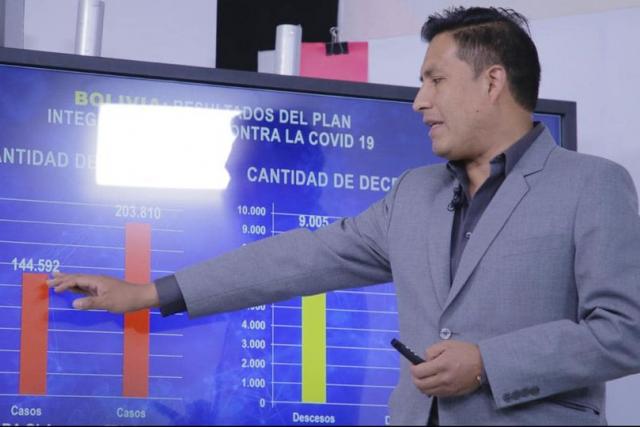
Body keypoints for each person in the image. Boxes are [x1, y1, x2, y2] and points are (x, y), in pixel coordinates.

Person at [48, 6, 640, 426]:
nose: (420, 101)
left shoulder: (593, 185)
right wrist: (148, 293)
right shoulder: (415, 193)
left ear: (492, 82)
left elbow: (626, 331)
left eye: (435, 80)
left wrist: (489, 364)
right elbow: (298, 259)